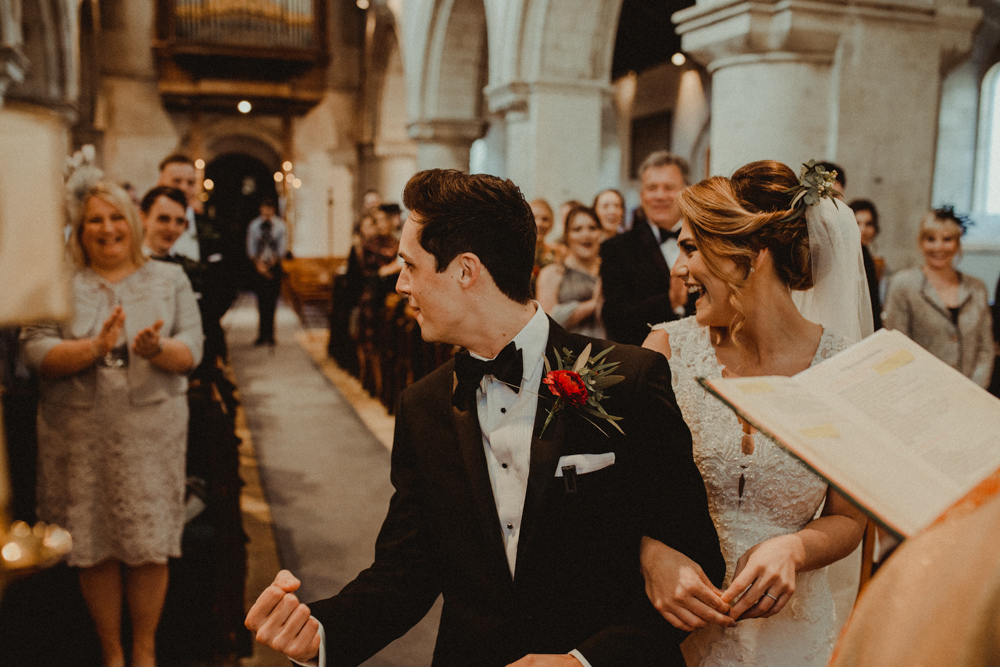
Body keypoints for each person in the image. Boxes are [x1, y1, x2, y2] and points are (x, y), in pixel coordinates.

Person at [245, 169, 725, 667]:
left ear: (465, 270)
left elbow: (694, 558)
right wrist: (322, 631)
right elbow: (407, 569)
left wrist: (585, 662)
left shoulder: (631, 379)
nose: (401, 283)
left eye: (410, 265)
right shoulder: (423, 406)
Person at [641, 160, 869, 666]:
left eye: (690, 249)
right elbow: (618, 492)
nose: (678, 270)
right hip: (668, 633)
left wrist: (795, 549)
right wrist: (649, 553)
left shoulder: (843, 370)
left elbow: (848, 521)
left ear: (751, 255)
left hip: (787, 641)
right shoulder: (665, 352)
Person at [21, 182, 203, 667]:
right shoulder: (56, 281)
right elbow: (34, 348)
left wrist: (156, 349)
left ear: (134, 222)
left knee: (147, 544)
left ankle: (144, 650)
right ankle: (112, 652)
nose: (107, 228)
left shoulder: (169, 279)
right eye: (95, 220)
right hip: (78, 431)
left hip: (151, 430)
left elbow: (193, 349)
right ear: (79, 231)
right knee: (95, 540)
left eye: (116, 217)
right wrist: (92, 349)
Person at [883, 207, 994, 387]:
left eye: (947, 239)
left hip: (969, 392)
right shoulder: (903, 285)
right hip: (920, 390)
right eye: (931, 239)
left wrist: (973, 390)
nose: (939, 247)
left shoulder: (976, 289)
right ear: (920, 242)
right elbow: (897, 347)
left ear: (957, 243)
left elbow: (985, 350)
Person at [601, 151, 692, 346]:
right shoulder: (616, 249)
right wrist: (669, 301)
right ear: (642, 195)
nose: (660, 196)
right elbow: (615, 318)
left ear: (687, 192)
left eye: (669, 188)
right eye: (652, 188)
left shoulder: (706, 242)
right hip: (644, 358)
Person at [536, 205, 605, 338]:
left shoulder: (611, 271)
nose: (586, 235)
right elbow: (546, 323)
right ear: (567, 235)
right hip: (568, 354)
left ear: (600, 233)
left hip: (611, 351)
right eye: (577, 229)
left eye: (592, 228)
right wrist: (592, 305)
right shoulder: (552, 273)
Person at [246, 199, 288, 346]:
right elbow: (251, 247)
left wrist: (271, 265)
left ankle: (270, 334)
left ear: (273, 210)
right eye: (265, 208)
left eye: (270, 208)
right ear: (261, 209)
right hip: (258, 265)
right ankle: (261, 334)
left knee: (272, 301)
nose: (267, 211)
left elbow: (282, 249)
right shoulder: (254, 226)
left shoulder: (280, 226)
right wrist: (259, 265)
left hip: (274, 265)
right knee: (261, 302)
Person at [848, 199, 884, 329]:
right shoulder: (850, 256)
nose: (863, 229)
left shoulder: (866, 255)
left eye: (868, 224)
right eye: (857, 223)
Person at [139, 186, 189, 260]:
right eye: (164, 219)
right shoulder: (126, 264)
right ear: (143, 218)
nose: (172, 228)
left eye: (179, 221)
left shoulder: (186, 267)